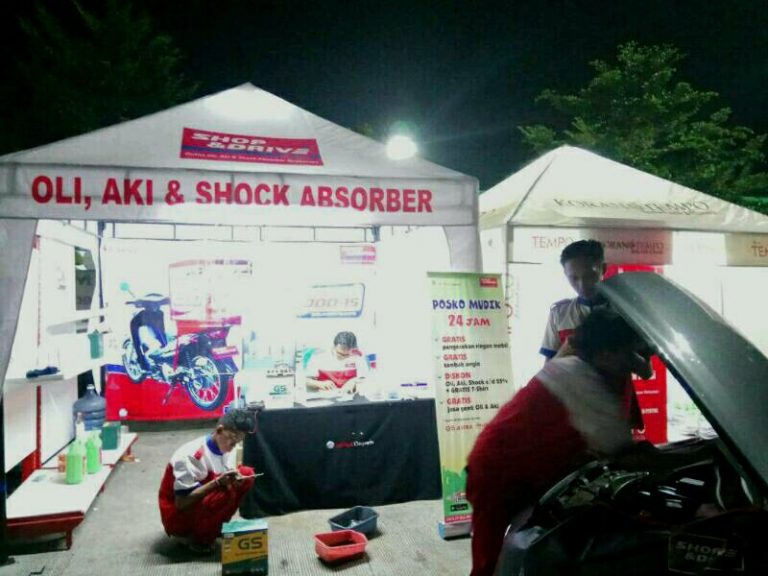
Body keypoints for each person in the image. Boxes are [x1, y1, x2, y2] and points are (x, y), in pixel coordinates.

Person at [465, 309, 654, 576]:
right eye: (626, 352)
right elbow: (624, 453)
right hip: (496, 473)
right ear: (605, 354)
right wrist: (689, 456)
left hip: (536, 470)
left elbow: (641, 369)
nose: (630, 361)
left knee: (531, 547)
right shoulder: (579, 380)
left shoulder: (585, 365)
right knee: (490, 561)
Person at [158, 408, 258, 553]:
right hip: (177, 514)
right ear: (219, 430)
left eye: (238, 441)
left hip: (202, 499)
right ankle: (193, 536)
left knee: (247, 475)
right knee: (222, 495)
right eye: (232, 440)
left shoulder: (226, 447)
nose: (234, 445)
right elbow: (181, 503)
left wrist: (234, 480)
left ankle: (213, 528)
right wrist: (217, 483)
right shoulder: (190, 456)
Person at [540, 239, 608, 360]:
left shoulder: (625, 310)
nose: (582, 285)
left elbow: (643, 366)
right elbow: (548, 368)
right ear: (565, 274)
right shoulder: (559, 313)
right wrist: (563, 352)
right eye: (574, 278)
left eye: (589, 276)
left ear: (603, 268)